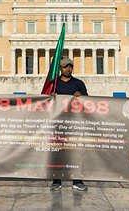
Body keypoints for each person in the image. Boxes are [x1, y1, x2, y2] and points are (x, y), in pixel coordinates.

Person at [50, 56, 88, 192]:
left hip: (74, 123)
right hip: (58, 123)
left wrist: (81, 96)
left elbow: (88, 102)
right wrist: (51, 96)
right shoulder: (54, 84)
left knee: (76, 153)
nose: (68, 69)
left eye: (70, 66)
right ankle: (56, 180)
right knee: (57, 153)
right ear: (60, 68)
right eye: (65, 66)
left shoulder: (79, 83)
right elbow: (45, 102)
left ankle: (77, 180)